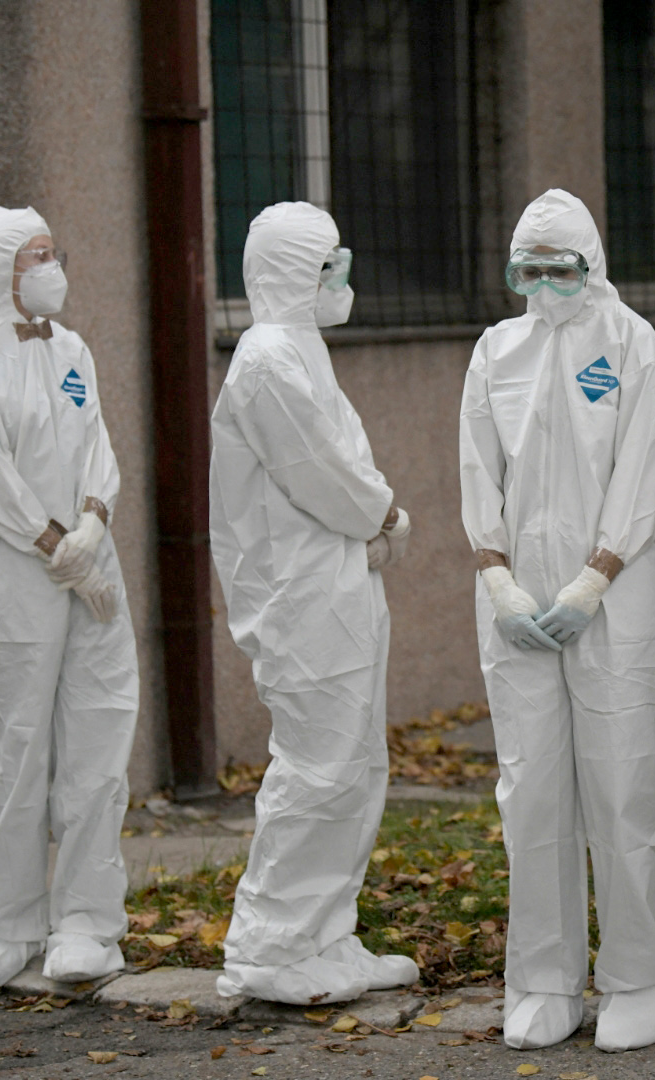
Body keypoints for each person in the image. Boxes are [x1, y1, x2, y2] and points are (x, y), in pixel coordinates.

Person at [459, 189, 655, 1052]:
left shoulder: (632, 344)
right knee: (533, 792)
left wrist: (593, 580)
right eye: (532, 269)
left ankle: (640, 978)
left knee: (622, 790)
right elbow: (480, 469)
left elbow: (643, 465)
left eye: (563, 269)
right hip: (517, 606)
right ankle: (544, 980)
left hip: (614, 601)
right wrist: (499, 580)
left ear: (592, 265)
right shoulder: (495, 351)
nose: (547, 285)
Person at [0, 206, 138, 990]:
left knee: (97, 745)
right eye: (38, 255)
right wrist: (57, 547)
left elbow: (99, 444)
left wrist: (93, 520)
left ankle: (87, 924)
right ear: (1, 268)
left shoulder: (71, 348)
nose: (53, 267)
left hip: (89, 571)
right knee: (14, 753)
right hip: (9, 581)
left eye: (55, 251)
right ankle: (6, 922)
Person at [209, 202, 416, 1005]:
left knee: (356, 766)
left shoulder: (299, 351)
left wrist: (372, 526)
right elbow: (321, 471)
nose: (345, 278)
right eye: (332, 264)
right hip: (302, 602)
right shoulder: (267, 360)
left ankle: (327, 936)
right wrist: (387, 516)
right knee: (318, 767)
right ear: (295, 273)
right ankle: (269, 947)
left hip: (337, 588)